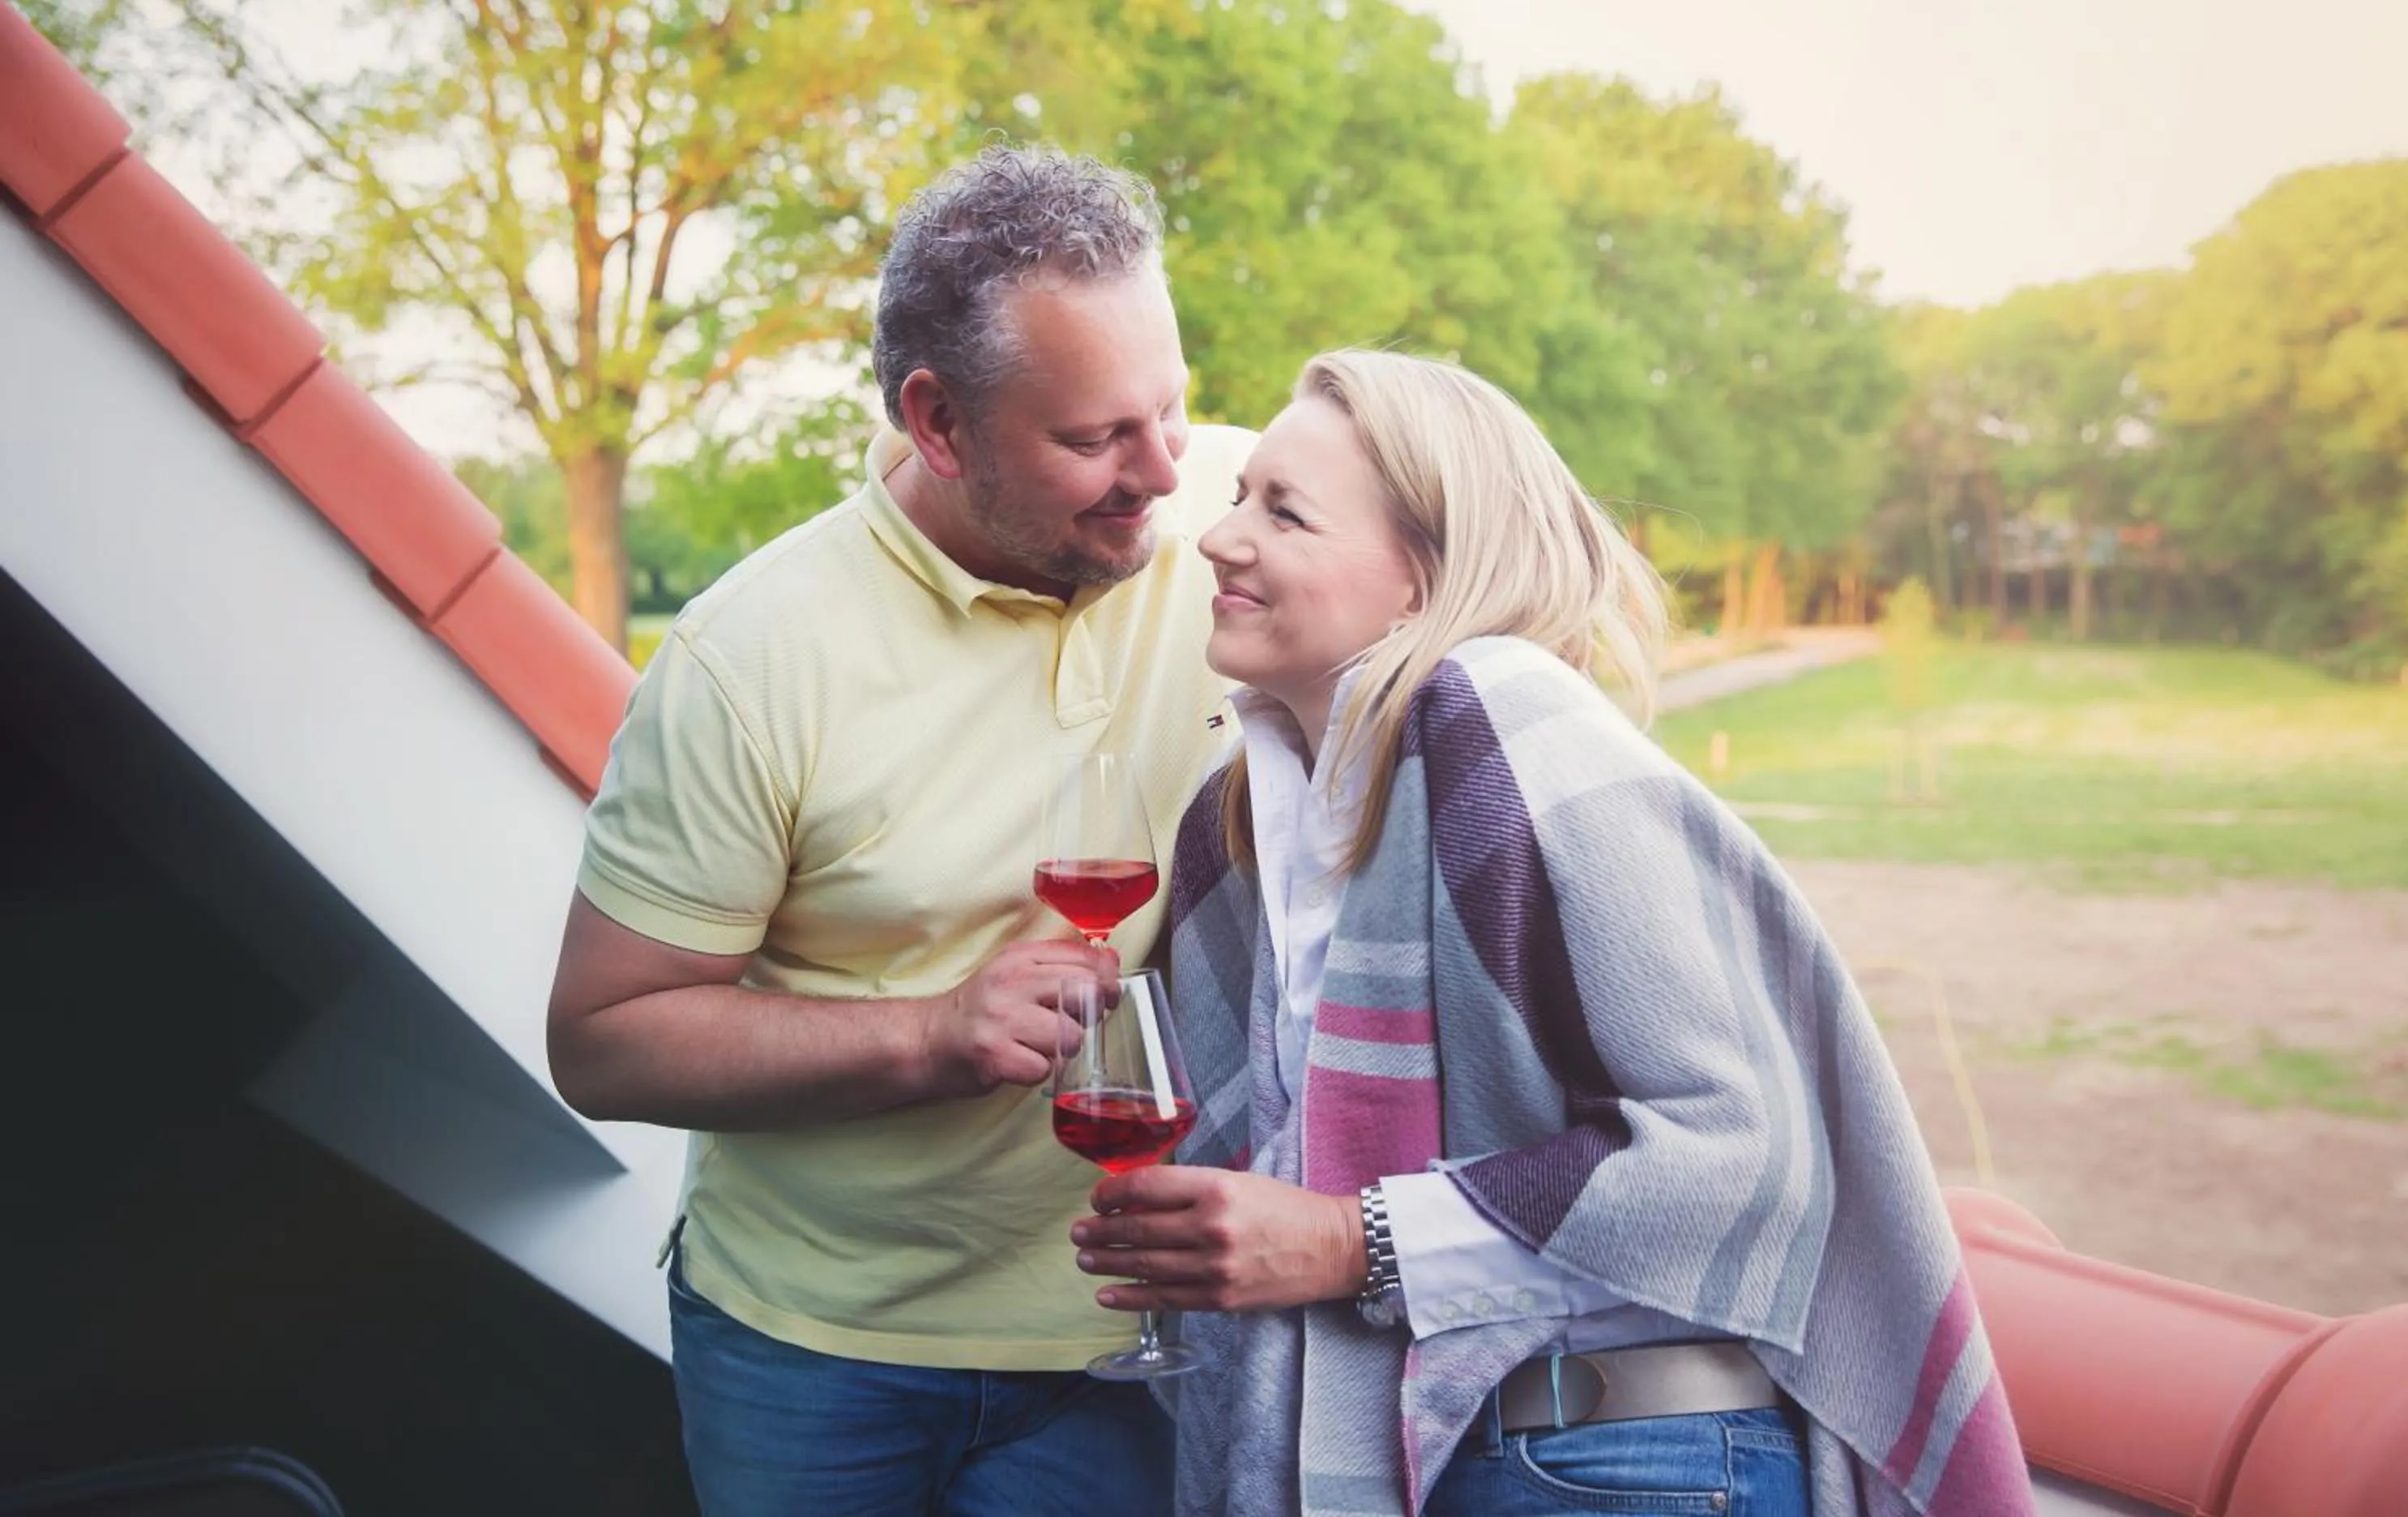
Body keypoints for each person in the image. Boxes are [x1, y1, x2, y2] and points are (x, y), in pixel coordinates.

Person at [1068, 349, 2036, 1515]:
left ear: (1426, 576)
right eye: (1238, 499)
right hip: (1452, 1456)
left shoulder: (1508, 722)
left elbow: (1742, 1156)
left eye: (1286, 512)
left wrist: (1349, 1240)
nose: (1221, 538)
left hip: (1627, 1459)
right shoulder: (1242, 815)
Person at [544, 144, 1250, 1517]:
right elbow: (603, 1038)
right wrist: (929, 1036)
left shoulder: (1240, 520)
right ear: (938, 422)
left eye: (1172, 406)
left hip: (1124, 1346)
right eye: (1095, 438)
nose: (1163, 472)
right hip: (814, 1351)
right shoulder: (750, 658)